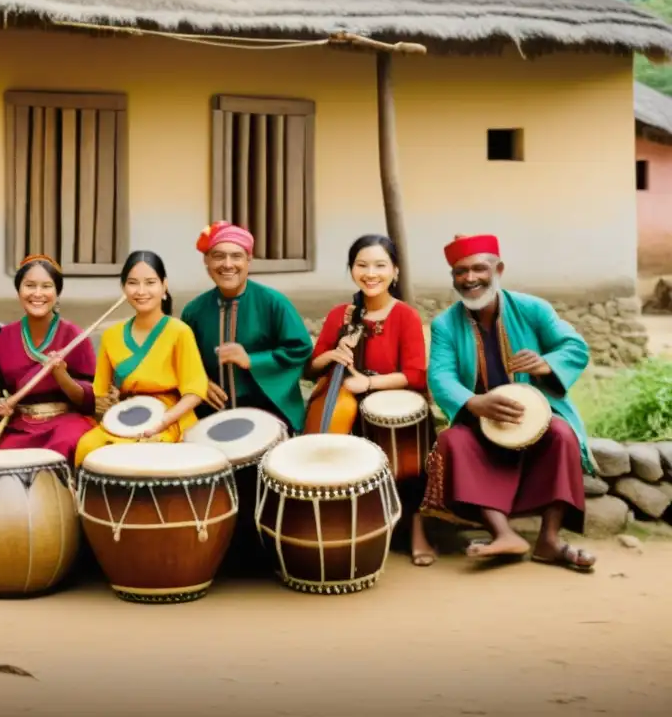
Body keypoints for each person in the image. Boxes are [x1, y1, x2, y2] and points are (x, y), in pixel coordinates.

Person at [421, 234, 598, 572]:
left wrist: (546, 364)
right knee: (451, 439)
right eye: (460, 272)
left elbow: (574, 347)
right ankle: (503, 534)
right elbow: (440, 376)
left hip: (537, 417)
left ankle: (548, 540)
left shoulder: (532, 308)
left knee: (562, 434)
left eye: (478, 269)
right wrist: (473, 403)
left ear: (498, 269)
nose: (470, 278)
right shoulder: (445, 323)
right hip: (480, 420)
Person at [306, 235, 436, 566]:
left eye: (380, 265)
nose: (370, 273)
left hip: (392, 399)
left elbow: (416, 374)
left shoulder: (405, 315)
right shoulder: (341, 314)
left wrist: (369, 382)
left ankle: (417, 528)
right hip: (348, 402)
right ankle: (345, 521)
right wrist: (332, 354)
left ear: (395, 270)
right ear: (351, 270)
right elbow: (310, 367)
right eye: (361, 265)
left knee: (413, 439)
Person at [73, 250, 209, 467]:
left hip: (170, 417)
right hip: (127, 415)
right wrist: (107, 403)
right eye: (133, 283)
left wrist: (161, 422)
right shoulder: (111, 335)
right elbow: (101, 392)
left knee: (148, 451)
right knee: (87, 446)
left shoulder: (179, 332)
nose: (141, 291)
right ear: (123, 288)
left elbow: (194, 392)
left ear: (164, 286)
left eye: (150, 282)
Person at [180, 221, 313, 434]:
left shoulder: (273, 303)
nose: (227, 264)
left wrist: (253, 360)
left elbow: (300, 350)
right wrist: (199, 381)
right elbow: (182, 360)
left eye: (236, 256)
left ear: (249, 260)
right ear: (206, 261)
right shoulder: (194, 311)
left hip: (267, 412)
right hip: (209, 414)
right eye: (218, 256)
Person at [0, 254, 96, 465]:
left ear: (57, 292)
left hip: (64, 423)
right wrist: (0, 406)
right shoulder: (1, 338)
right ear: (19, 291)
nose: (38, 294)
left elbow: (90, 401)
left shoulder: (75, 336)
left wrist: (62, 377)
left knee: (67, 445)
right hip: (18, 423)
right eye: (30, 286)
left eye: (46, 286)